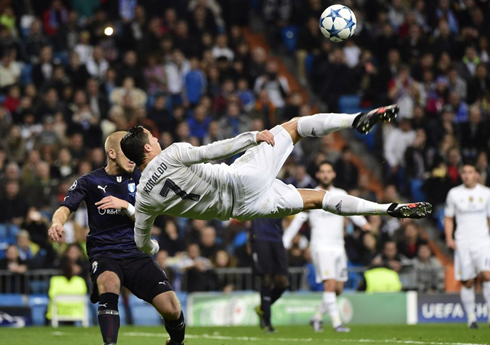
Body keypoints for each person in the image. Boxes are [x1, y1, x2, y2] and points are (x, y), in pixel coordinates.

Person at [120, 105, 432, 257]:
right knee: (295, 126)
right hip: (242, 178)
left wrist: (153, 245)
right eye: (153, 137)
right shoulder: (172, 153)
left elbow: (141, 242)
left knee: (318, 198)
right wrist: (251, 137)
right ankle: (355, 120)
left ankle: (387, 209)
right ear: (148, 147)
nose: (158, 138)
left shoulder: (144, 199)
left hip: (245, 210)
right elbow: (212, 150)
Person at [48, 132, 202, 345]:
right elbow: (65, 207)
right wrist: (57, 223)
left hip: (136, 251)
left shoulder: (144, 178)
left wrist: (126, 206)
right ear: (111, 153)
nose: (133, 156)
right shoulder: (89, 181)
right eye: (126, 152)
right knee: (109, 284)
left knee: (172, 308)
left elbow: (152, 215)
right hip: (104, 251)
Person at [283, 161, 372, 333]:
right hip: (320, 245)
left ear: (333, 175)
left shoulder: (340, 194)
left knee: (338, 288)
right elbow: (299, 219)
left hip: (338, 245)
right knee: (329, 284)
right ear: (317, 175)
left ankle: (316, 317)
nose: (325, 175)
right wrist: (286, 240)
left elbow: (353, 210)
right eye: (322, 172)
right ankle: (337, 323)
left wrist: (364, 224)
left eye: (328, 171)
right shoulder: (311, 195)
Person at [444, 163, 490, 329]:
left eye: (470, 172)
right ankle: (471, 318)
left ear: (477, 174)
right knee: (468, 281)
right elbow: (449, 217)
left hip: (483, 242)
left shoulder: (486, 193)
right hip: (463, 243)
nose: (467, 175)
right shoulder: (454, 194)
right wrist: (449, 238)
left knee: (487, 275)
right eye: (464, 172)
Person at [251, 218, 289, 333]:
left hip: (277, 238)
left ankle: (262, 308)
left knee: (283, 282)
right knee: (266, 279)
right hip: (260, 237)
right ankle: (267, 322)